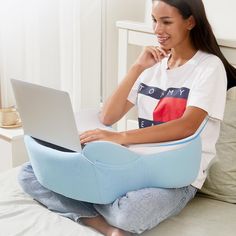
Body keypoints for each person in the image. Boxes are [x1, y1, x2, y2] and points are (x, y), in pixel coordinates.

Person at [18, 0, 236, 235]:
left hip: (176, 177)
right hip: (133, 165)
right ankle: (102, 221)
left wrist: (119, 137)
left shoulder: (209, 67)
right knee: (30, 173)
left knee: (129, 214)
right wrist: (137, 67)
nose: (157, 30)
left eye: (166, 22)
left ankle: (94, 209)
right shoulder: (154, 65)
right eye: (154, 20)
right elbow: (108, 115)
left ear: (190, 22)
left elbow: (188, 126)